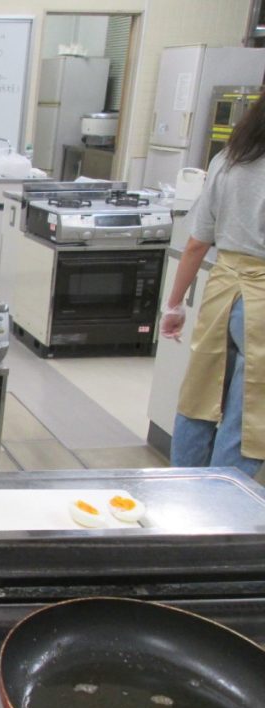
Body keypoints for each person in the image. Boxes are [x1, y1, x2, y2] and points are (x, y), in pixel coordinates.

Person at [159, 89, 265, 480]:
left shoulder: (229, 158)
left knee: (200, 394)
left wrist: (174, 305)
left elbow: (196, 243)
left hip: (222, 290)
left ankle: (182, 487)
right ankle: (222, 500)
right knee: (250, 410)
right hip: (261, 300)